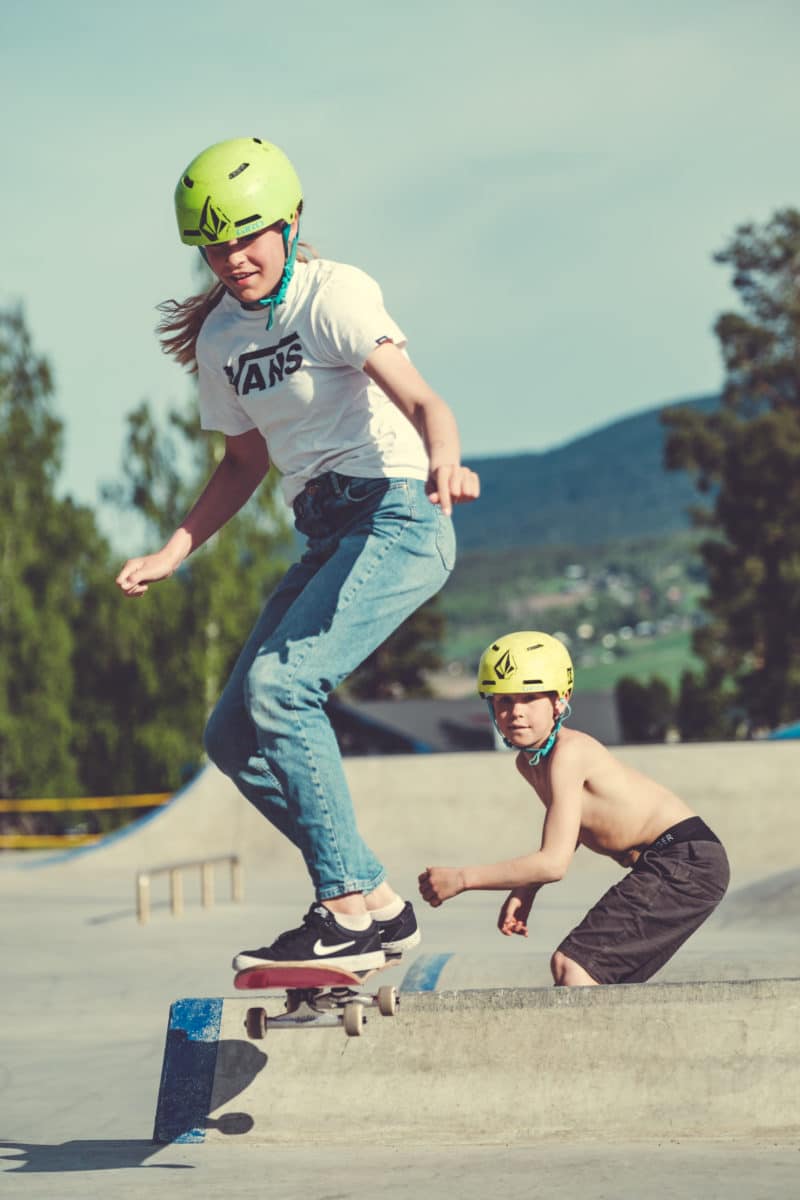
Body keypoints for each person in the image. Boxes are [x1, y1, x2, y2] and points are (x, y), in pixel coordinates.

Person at [116, 136, 479, 973]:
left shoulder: (333, 296)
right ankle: (379, 906)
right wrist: (176, 549)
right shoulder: (219, 341)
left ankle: (342, 907)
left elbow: (424, 400)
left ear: (289, 221)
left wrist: (446, 459)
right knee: (233, 731)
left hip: (397, 513)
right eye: (215, 245)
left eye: (248, 236)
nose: (233, 258)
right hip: (324, 529)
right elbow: (243, 462)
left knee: (284, 687)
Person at [418, 631, 729, 985]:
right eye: (503, 700)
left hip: (686, 860)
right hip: (669, 863)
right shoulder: (530, 762)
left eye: (529, 698)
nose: (515, 712)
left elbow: (554, 863)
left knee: (574, 967)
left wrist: (462, 879)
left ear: (559, 701)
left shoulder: (569, 753)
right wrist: (526, 889)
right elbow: (570, 826)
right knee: (600, 979)